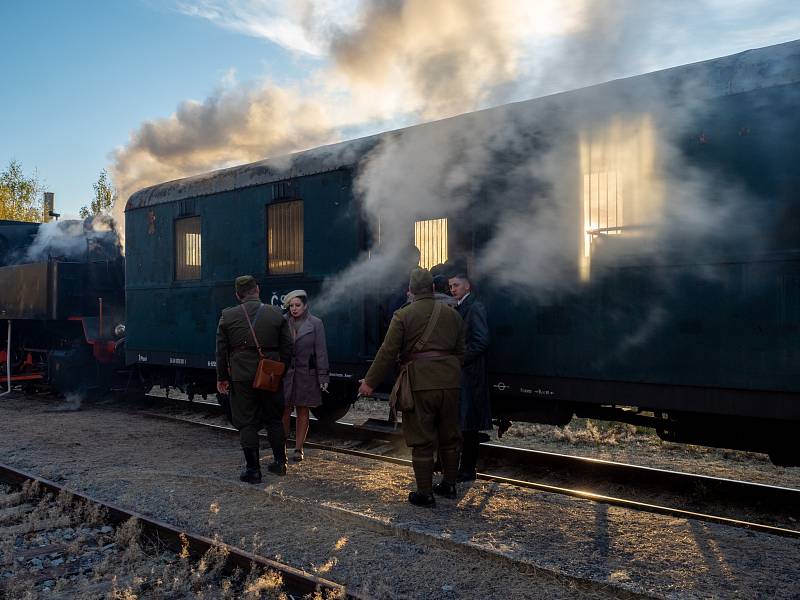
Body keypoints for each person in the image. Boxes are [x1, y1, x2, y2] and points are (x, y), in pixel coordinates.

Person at [358, 268, 465, 507]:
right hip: (450, 383)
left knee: (422, 438)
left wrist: (369, 382)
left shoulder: (403, 315)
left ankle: (425, 493)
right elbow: (461, 352)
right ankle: (449, 485)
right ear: (434, 288)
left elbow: (387, 352)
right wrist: (447, 370)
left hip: (419, 383)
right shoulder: (453, 314)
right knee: (450, 436)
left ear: (411, 291)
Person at [216, 275, 292, 482]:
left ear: (237, 295)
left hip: (241, 377)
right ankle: (280, 463)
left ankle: (253, 470)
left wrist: (222, 377)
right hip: (269, 375)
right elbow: (288, 348)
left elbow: (221, 352)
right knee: (274, 419)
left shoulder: (228, 316)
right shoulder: (277, 314)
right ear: (257, 290)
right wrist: (280, 371)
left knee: (246, 421)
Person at [448, 273, 491, 482]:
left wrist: (460, 359)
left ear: (467, 286)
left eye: (456, 285)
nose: (452, 289)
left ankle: (467, 470)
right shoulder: (461, 306)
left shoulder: (475, 307)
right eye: (450, 286)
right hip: (463, 372)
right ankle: (463, 468)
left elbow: (482, 341)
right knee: (463, 423)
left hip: (470, 372)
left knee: (468, 425)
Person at [281, 290, 330, 462]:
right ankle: (282, 447)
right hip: (285, 375)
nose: (294, 309)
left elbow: (321, 352)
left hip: (306, 375)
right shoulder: (283, 322)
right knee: (284, 410)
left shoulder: (316, 323)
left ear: (305, 305)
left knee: (303, 411)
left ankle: (298, 448)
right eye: (291, 305)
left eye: (297, 305)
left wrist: (323, 377)